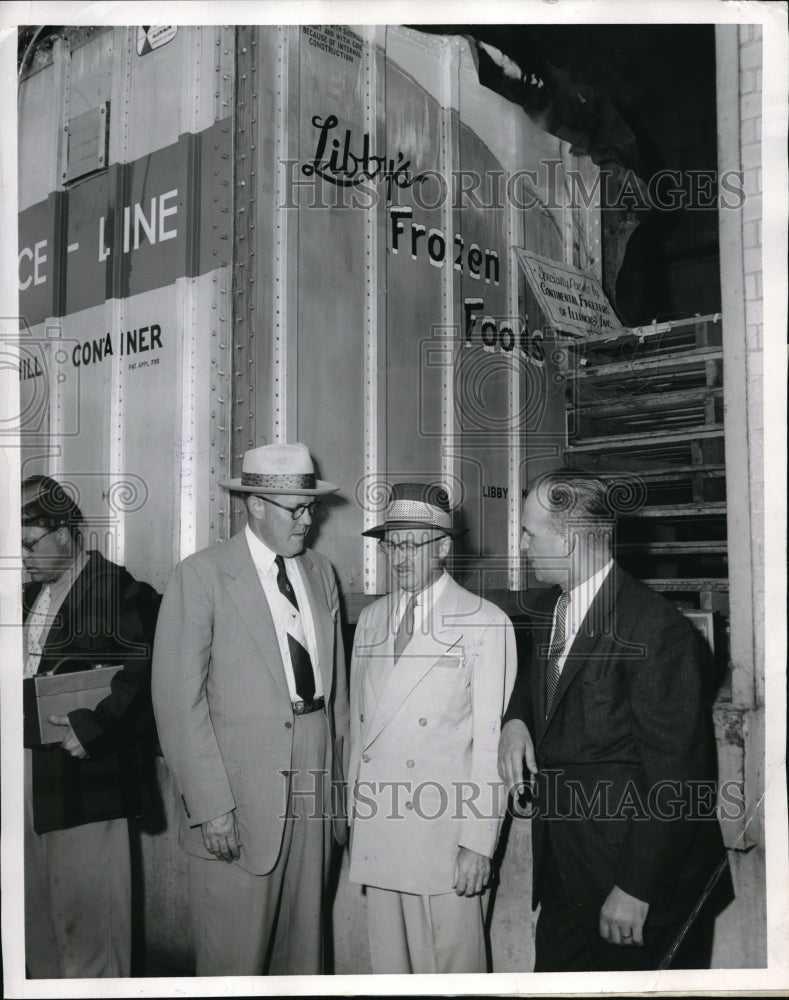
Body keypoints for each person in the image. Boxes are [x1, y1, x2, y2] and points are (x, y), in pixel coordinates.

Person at [498, 470, 733, 972]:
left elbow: (677, 774)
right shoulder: (550, 610)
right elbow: (541, 684)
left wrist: (636, 888)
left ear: (570, 538)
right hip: (569, 869)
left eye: (529, 532)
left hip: (639, 889)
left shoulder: (655, 629)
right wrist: (516, 720)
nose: (519, 545)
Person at [152, 443, 350, 976]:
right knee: (232, 964)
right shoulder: (201, 576)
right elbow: (177, 704)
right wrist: (211, 806)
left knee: (304, 955)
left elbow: (341, 696)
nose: (308, 520)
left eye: (312, 507)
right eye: (296, 509)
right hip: (235, 799)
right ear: (256, 504)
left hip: (315, 784)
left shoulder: (321, 573)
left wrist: (341, 795)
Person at [348, 482, 516, 974]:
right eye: (390, 544)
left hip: (444, 839)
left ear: (443, 546)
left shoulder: (485, 622)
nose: (398, 558)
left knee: (451, 972)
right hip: (380, 828)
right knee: (390, 971)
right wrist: (353, 818)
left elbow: (490, 746)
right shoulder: (372, 620)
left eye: (412, 544)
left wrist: (478, 844)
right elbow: (361, 736)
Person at [21, 474, 161, 978]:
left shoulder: (120, 591)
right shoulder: (25, 598)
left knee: (93, 938)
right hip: (28, 785)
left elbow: (145, 678)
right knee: (38, 933)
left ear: (64, 532)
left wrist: (95, 730)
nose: (22, 556)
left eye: (29, 543)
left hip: (85, 787)